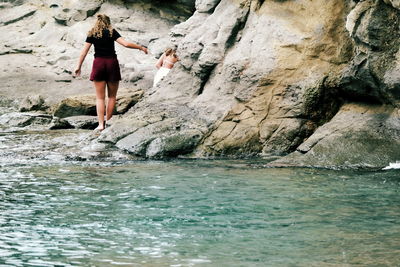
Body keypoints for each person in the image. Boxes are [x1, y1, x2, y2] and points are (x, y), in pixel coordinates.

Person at [74, 14, 148, 131]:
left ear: (97, 21)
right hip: (111, 63)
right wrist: (141, 47)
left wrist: (78, 66)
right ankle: (108, 122)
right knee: (112, 96)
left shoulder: (92, 32)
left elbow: (84, 52)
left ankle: (100, 125)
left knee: (100, 98)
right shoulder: (112, 31)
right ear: (108, 22)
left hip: (98, 64)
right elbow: (126, 44)